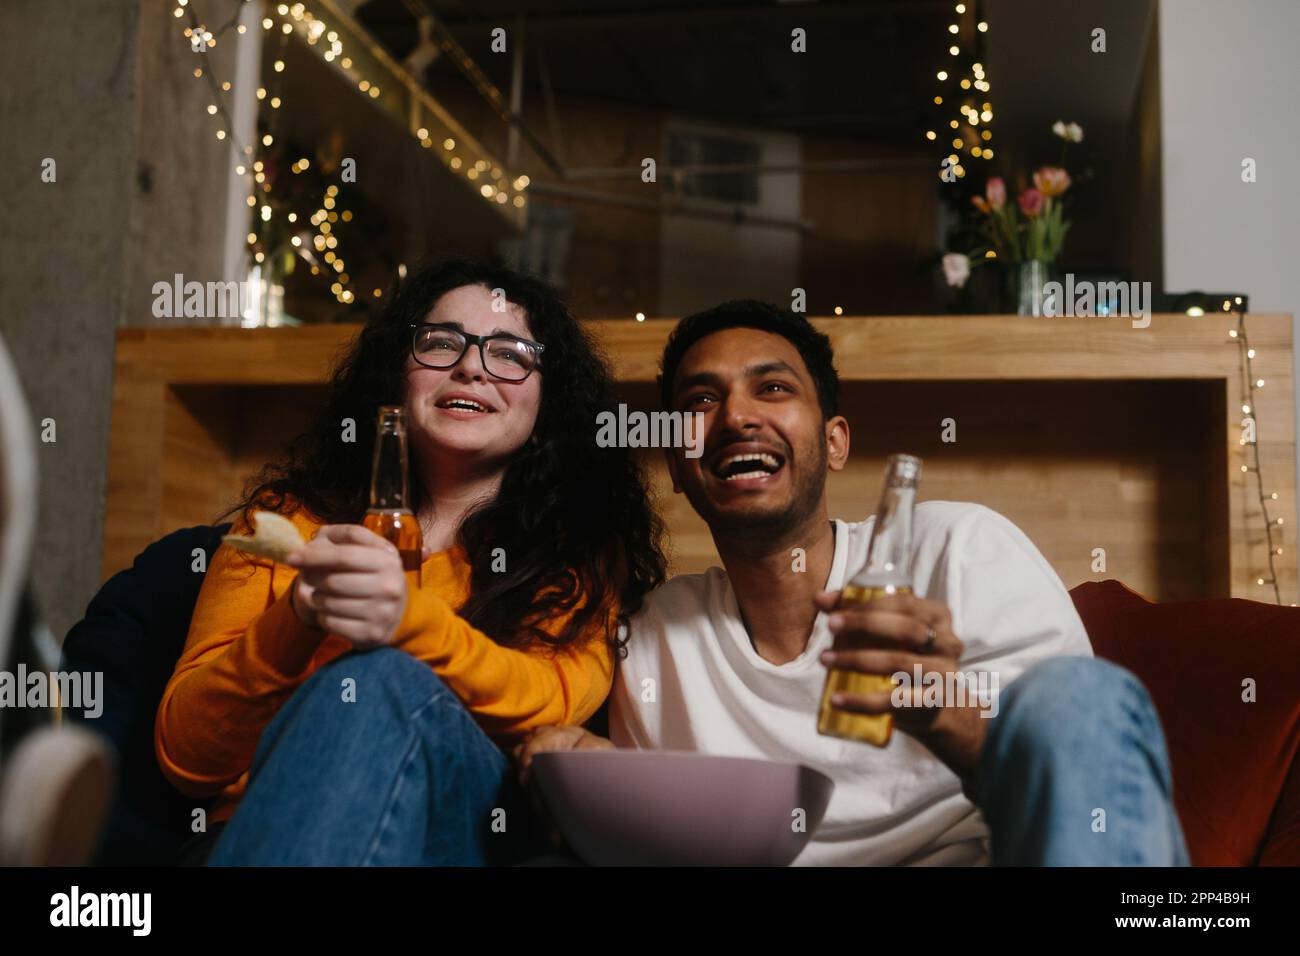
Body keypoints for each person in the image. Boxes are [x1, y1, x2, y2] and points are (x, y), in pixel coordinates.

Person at [518, 300, 1190, 866]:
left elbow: (1077, 787)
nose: (737, 416)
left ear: (835, 442)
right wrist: (580, 759)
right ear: (677, 463)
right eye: (701, 400)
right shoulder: (655, 634)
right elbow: (658, 836)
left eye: (772, 388)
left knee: (1081, 697)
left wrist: (943, 712)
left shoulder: (958, 549)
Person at [155, 258, 665, 865]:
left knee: (380, 678)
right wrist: (298, 615)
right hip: (254, 829)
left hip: (452, 833)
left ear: (548, 397)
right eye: (442, 343)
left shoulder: (575, 550)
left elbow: (548, 702)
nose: (471, 366)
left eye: (509, 353)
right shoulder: (286, 522)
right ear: (398, 373)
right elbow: (188, 757)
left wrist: (407, 625)